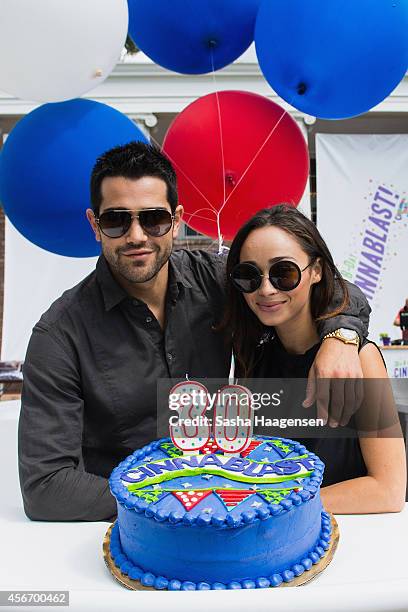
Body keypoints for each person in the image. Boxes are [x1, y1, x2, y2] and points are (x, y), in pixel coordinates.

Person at [19, 142, 371, 522]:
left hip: (233, 519)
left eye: (153, 218)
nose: (137, 235)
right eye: (117, 220)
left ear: (176, 219)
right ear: (95, 225)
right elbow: (46, 486)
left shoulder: (216, 279)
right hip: (130, 536)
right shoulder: (59, 335)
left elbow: (322, 286)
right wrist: (172, 506)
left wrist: (342, 337)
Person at [223, 205, 406, 514]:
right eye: (249, 276)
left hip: (351, 540)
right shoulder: (253, 359)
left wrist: (282, 508)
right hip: (279, 544)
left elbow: (387, 490)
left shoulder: (360, 356)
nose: (266, 289)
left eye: (284, 273)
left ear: (317, 271)